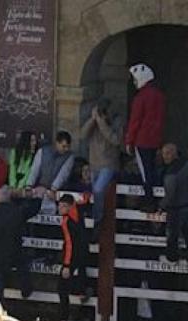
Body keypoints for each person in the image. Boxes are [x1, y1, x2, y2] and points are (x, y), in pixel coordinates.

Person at [0, 187, 40, 298]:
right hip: (12, 253)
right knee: (23, 263)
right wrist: (36, 197)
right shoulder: (17, 212)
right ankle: (26, 287)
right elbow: (33, 209)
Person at [126, 63, 166, 212]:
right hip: (156, 139)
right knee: (153, 169)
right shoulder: (160, 96)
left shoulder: (140, 98)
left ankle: (149, 202)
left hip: (142, 140)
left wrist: (129, 141)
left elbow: (135, 121)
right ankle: (156, 200)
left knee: (145, 172)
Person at [80, 98, 122, 227]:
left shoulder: (116, 122)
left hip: (109, 165)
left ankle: (97, 219)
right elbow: (82, 135)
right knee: (95, 191)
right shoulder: (94, 123)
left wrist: (101, 122)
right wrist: (92, 120)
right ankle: (97, 218)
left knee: (98, 189)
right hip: (94, 164)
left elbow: (115, 140)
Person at [55, 194, 88, 321]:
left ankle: (64, 320)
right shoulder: (78, 212)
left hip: (72, 257)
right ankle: (82, 290)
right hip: (82, 254)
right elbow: (84, 200)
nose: (60, 208)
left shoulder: (66, 221)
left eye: (63, 206)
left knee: (62, 288)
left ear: (68, 207)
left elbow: (69, 244)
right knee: (78, 279)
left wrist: (66, 265)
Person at [27, 131, 75, 205]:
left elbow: (63, 174)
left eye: (68, 147)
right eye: (64, 146)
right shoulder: (42, 151)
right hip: (39, 189)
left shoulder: (69, 156)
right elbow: (34, 170)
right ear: (57, 143)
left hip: (57, 193)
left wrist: (53, 189)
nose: (66, 149)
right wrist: (29, 186)